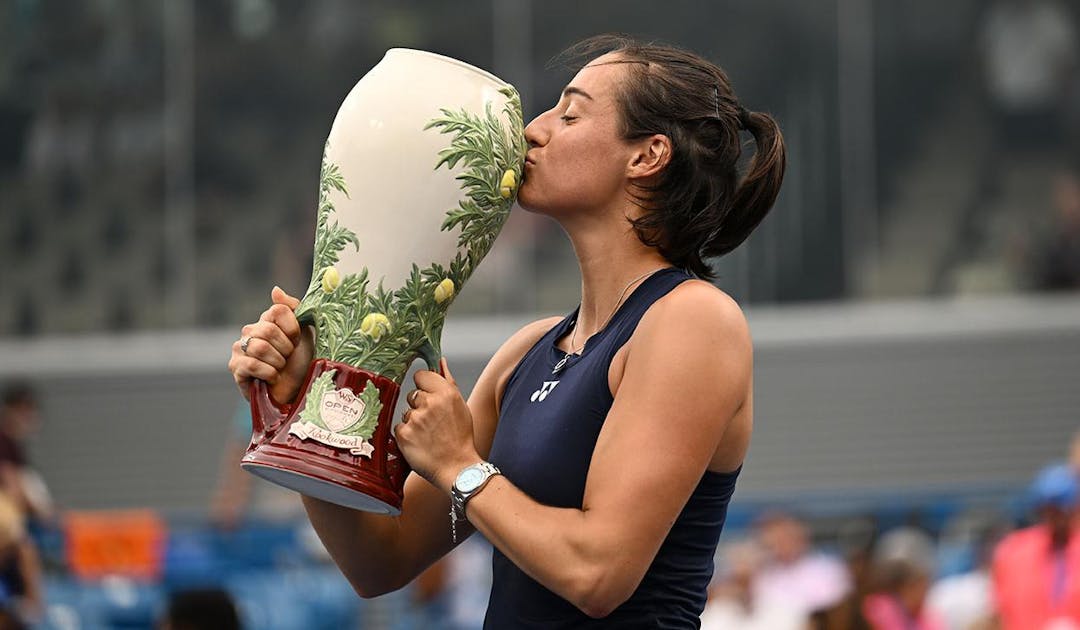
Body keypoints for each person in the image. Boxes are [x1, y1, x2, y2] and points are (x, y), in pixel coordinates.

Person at [228, 34, 785, 626]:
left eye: (570, 113)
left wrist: (460, 466)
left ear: (647, 156)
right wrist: (305, 404)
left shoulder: (693, 320)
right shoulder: (528, 351)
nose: (532, 131)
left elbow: (598, 574)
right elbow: (377, 564)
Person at [992, 463, 1080, 628]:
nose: (1054, 518)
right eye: (1047, 510)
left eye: (1059, 511)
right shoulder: (1014, 550)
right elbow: (1001, 610)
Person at [754, 511, 852, 617]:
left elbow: (837, 609)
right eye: (775, 540)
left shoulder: (829, 569)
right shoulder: (764, 576)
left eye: (785, 537)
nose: (780, 545)